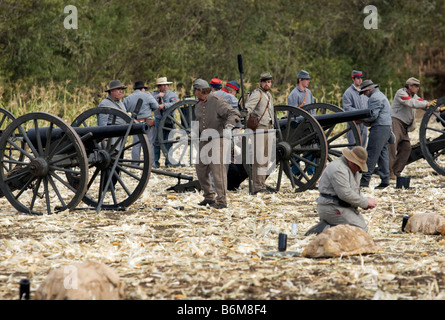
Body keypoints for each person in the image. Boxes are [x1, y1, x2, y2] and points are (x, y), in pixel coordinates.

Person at [305, 146, 377, 235]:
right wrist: (365, 202)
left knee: (363, 229)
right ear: (351, 161)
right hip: (332, 207)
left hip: (343, 206)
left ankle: (330, 226)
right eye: (358, 166)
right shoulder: (338, 169)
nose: (360, 169)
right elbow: (345, 194)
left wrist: (365, 203)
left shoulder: (353, 170)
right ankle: (326, 228)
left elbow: (354, 192)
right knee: (360, 230)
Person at [193, 79, 241, 209]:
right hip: (204, 140)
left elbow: (234, 113)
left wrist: (228, 128)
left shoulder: (217, 101)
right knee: (200, 169)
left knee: (218, 171)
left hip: (218, 140)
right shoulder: (198, 104)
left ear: (201, 90)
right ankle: (209, 197)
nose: (194, 93)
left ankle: (222, 201)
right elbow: (198, 122)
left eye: (195, 91)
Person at [389, 77, 437, 178]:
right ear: (409, 86)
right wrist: (427, 104)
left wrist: (437, 108)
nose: (418, 88)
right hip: (396, 122)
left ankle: (396, 171)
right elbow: (412, 103)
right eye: (416, 86)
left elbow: (423, 103)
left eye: (418, 86)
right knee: (392, 147)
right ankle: (389, 172)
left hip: (405, 126)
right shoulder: (401, 93)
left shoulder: (413, 96)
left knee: (406, 148)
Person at [358, 80, 392, 189]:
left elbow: (372, 116)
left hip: (379, 128)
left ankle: (364, 181)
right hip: (386, 127)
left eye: (364, 92)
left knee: (371, 155)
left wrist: (360, 120)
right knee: (383, 155)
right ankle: (385, 181)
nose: (364, 94)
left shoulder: (374, 98)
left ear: (369, 89)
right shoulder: (380, 95)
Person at [245, 72, 275, 194]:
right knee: (259, 158)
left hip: (268, 128)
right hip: (259, 128)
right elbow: (249, 107)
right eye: (265, 82)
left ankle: (262, 184)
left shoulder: (269, 95)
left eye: (269, 82)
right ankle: (257, 187)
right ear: (261, 83)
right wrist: (244, 113)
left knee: (265, 158)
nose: (267, 84)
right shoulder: (257, 94)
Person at [123, 81, 159, 162]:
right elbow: (156, 106)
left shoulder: (128, 98)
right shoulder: (147, 95)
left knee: (136, 145)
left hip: (136, 123)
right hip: (148, 123)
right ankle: (151, 163)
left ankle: (135, 164)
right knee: (149, 144)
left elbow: (124, 110)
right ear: (143, 89)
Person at [152, 77, 179, 168]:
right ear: (159, 86)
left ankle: (168, 162)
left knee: (169, 141)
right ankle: (155, 162)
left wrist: (164, 105)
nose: (165, 86)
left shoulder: (172, 94)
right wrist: (157, 97)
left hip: (169, 119)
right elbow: (150, 104)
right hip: (158, 120)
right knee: (157, 141)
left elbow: (175, 104)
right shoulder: (154, 94)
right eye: (163, 85)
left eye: (166, 84)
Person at [342, 70, 369, 148]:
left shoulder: (364, 92)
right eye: (358, 78)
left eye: (361, 78)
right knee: (353, 148)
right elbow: (347, 109)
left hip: (364, 124)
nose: (360, 80)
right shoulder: (348, 93)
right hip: (353, 124)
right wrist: (362, 113)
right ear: (353, 79)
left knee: (363, 147)